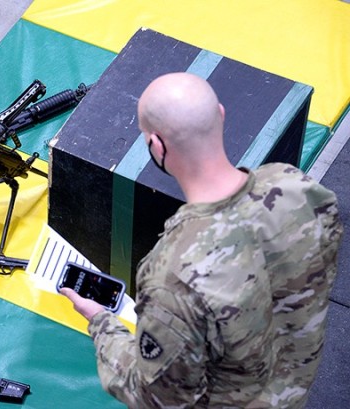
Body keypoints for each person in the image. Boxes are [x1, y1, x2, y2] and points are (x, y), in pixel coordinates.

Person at [61, 72, 343, 408]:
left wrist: (101, 322)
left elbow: (157, 398)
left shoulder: (174, 275)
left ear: (156, 146)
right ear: (221, 115)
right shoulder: (297, 186)